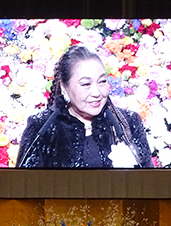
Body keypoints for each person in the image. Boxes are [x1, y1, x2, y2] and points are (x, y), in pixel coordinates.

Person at [16, 45, 153, 168]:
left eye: (102, 81)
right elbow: (24, 186)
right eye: (86, 84)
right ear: (64, 88)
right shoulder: (42, 126)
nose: (97, 93)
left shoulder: (128, 122)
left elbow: (147, 183)